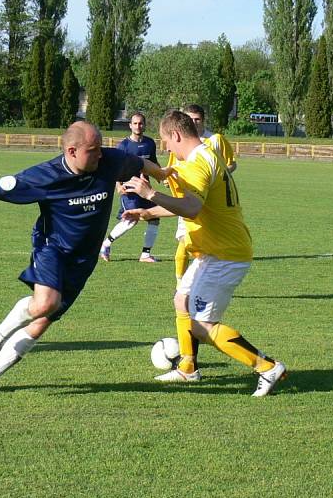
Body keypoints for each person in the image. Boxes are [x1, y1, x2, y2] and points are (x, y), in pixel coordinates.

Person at [0, 121, 167, 396]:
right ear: (71, 151)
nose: (100, 154)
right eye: (92, 150)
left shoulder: (109, 160)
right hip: (52, 248)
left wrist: (161, 173)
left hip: (84, 260)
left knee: (42, 320)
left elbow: (138, 162)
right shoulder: (46, 175)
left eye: (100, 147)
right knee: (46, 302)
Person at [122, 109, 285, 397]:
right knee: (181, 300)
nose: (166, 148)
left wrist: (150, 195)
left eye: (166, 142)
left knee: (201, 326)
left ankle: (267, 367)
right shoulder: (207, 153)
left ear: (175, 135)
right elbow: (185, 201)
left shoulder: (197, 164)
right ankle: (187, 369)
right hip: (216, 249)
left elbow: (191, 208)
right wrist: (148, 212)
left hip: (226, 253)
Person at [171, 104, 237, 283]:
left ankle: (201, 281)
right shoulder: (179, 143)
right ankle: (181, 284)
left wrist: (215, 178)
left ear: (203, 120)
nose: (193, 122)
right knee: (185, 241)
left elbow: (231, 163)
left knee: (204, 244)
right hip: (188, 197)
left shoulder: (215, 140)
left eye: (197, 119)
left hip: (211, 202)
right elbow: (174, 168)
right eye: (189, 119)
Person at [99, 112, 162, 263]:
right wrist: (118, 185)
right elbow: (115, 167)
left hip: (145, 188)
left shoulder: (150, 143)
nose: (138, 126)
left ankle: (145, 254)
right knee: (132, 219)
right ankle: (105, 245)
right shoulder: (124, 145)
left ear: (144, 125)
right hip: (129, 189)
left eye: (140, 123)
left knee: (154, 218)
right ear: (130, 125)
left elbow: (153, 162)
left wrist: (161, 175)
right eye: (135, 123)